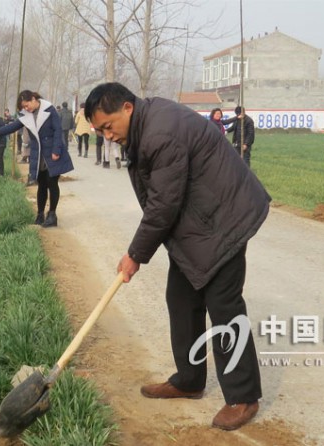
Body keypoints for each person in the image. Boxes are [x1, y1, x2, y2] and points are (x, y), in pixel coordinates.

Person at [84, 82, 270, 431]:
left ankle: (243, 397)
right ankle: (189, 379)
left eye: (108, 126)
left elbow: (162, 205)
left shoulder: (160, 133)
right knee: (182, 299)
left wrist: (135, 255)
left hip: (226, 218)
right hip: (199, 223)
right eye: (100, 131)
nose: (107, 136)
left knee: (224, 306)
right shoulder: (146, 124)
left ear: (127, 107)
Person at [0, 90, 74, 227]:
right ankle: (39, 214)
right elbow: (12, 127)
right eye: (24, 107)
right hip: (38, 154)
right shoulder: (26, 115)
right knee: (42, 184)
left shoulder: (49, 110)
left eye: (27, 105)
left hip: (52, 152)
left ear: (34, 99)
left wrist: (56, 149)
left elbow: (58, 130)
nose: (26, 109)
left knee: (52, 183)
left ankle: (52, 215)